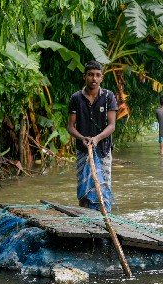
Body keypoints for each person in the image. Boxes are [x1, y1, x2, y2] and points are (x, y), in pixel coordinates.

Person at [67, 60, 118, 211]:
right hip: (83, 150)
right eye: (90, 75)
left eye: (97, 75)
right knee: (83, 188)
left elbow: (112, 125)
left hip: (103, 149)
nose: (94, 79)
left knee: (103, 186)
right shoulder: (76, 98)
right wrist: (82, 138)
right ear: (85, 77)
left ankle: (104, 217)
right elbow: (70, 127)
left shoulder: (108, 97)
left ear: (102, 78)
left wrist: (97, 138)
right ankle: (84, 219)